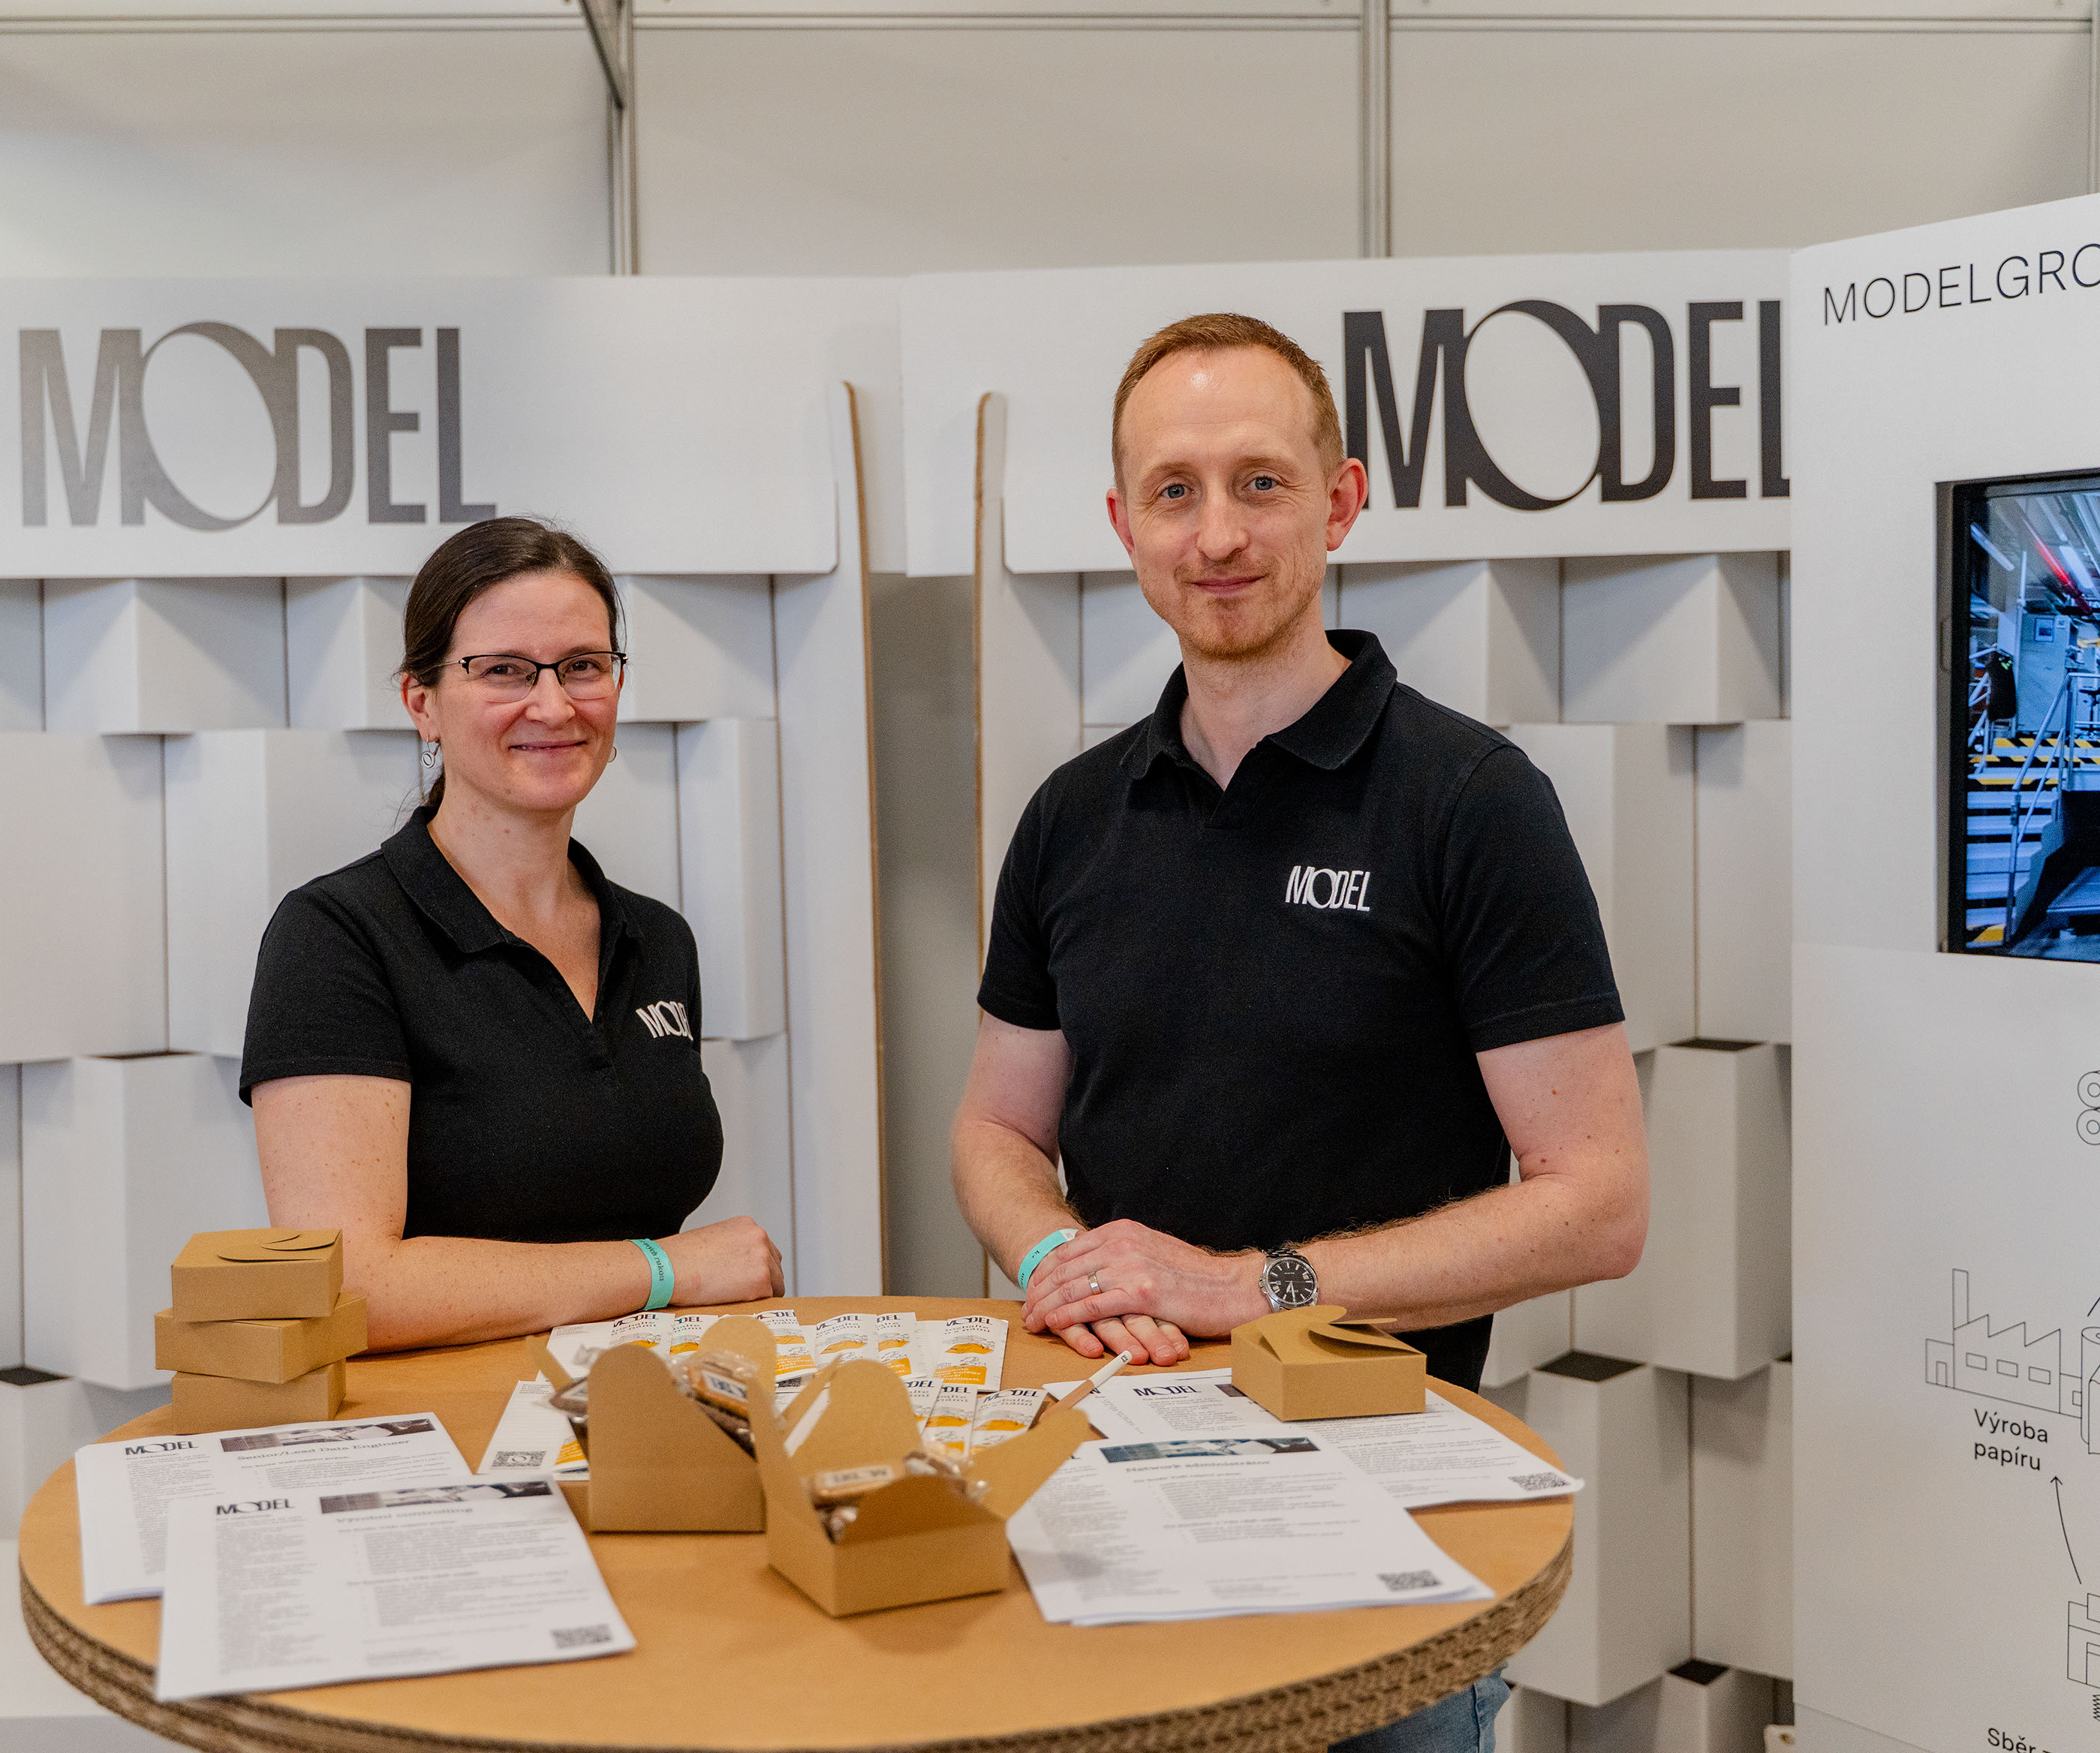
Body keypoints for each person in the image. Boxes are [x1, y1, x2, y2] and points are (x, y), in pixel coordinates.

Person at [951, 314, 1647, 1752]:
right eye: (1175, 490)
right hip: (1119, 1499)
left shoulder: (1470, 802)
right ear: (1123, 526)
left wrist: (1240, 1287)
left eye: (1258, 483)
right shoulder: (1071, 817)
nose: (1216, 534)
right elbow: (997, 1125)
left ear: (1339, 502)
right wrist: (1059, 1262)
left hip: (1384, 1526)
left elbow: (1598, 1203)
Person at [242, 517, 784, 1352]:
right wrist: (666, 1268)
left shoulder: (658, 939)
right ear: (421, 702)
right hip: (449, 1418)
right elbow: (349, 1285)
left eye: (583, 666)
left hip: (639, 1401)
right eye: (504, 670)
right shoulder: (336, 936)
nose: (554, 704)